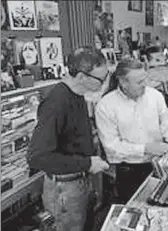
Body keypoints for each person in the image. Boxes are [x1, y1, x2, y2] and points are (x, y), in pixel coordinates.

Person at [27, 47, 110, 231]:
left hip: (78, 182)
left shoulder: (78, 94)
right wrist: (87, 163)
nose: (105, 83)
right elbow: (37, 157)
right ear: (81, 77)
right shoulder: (56, 104)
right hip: (64, 189)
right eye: (101, 79)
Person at [95, 58, 168, 203]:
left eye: (145, 79)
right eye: (139, 82)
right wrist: (145, 148)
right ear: (123, 82)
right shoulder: (105, 106)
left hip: (160, 163)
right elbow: (111, 147)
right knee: (134, 207)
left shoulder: (155, 96)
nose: (145, 85)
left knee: (162, 203)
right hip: (129, 171)